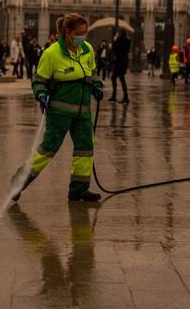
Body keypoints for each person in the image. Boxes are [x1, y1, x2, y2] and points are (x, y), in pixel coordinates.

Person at [10, 13, 105, 203]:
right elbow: (39, 80)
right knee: (47, 150)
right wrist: (41, 94)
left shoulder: (87, 49)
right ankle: (17, 183)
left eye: (85, 32)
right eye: (79, 33)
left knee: (85, 150)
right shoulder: (52, 53)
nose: (83, 36)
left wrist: (97, 85)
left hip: (83, 111)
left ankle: (79, 190)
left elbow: (92, 73)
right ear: (67, 33)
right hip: (59, 112)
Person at [108, 29, 131, 103]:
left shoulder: (120, 40)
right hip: (122, 62)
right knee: (115, 78)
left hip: (119, 63)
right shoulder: (127, 40)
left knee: (120, 79)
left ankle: (125, 97)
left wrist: (114, 40)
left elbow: (114, 49)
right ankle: (119, 96)